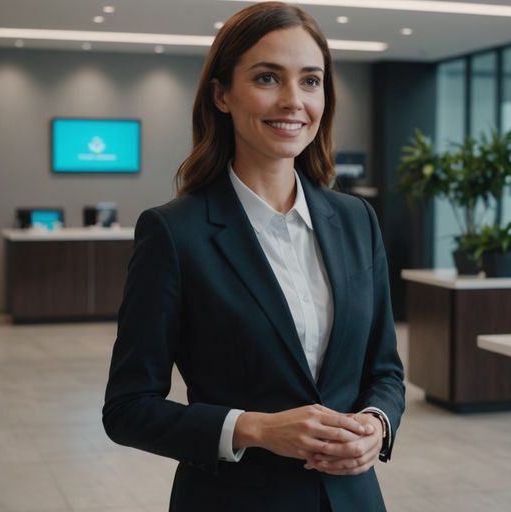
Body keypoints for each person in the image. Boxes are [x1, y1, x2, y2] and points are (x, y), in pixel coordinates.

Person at [102, 3, 405, 511]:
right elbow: (128, 408)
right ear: (221, 94)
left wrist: (376, 425)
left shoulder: (356, 220)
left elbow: (385, 371)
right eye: (268, 77)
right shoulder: (174, 233)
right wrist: (255, 428)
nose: (293, 101)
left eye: (311, 81)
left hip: (353, 499)